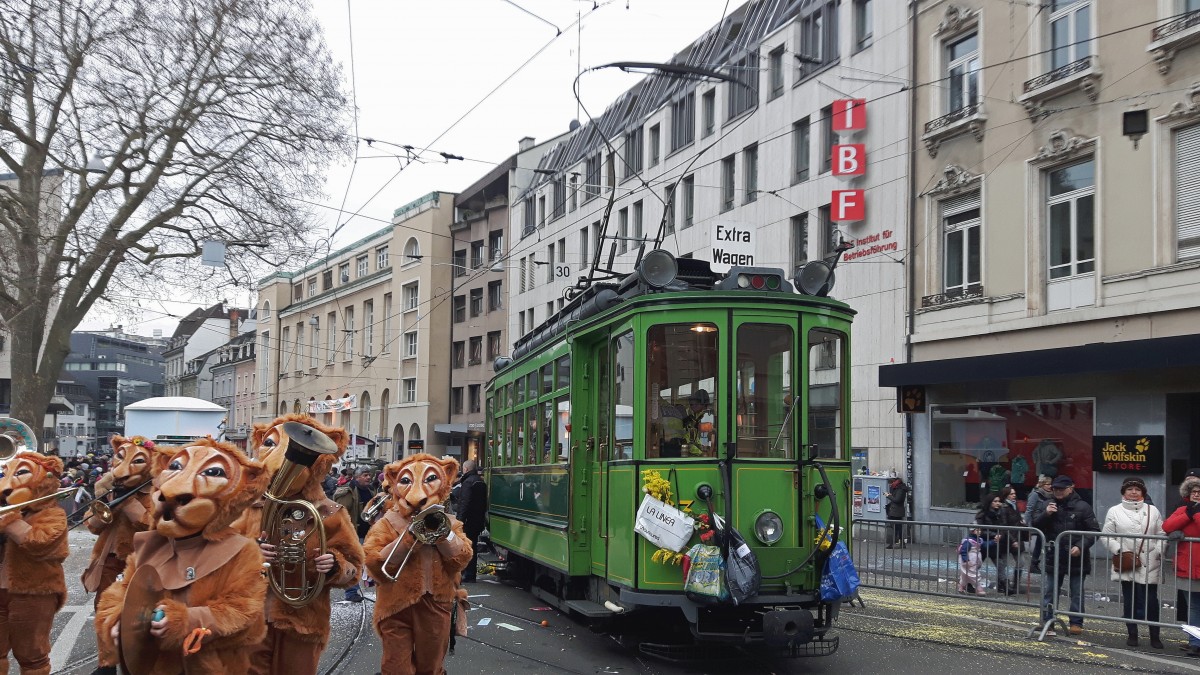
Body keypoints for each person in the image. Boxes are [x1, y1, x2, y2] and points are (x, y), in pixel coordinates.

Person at [363, 454, 473, 675]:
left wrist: (442, 535)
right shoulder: (388, 522)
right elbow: (374, 563)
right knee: (396, 668)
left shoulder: (450, 523)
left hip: (436, 604)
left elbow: (462, 559)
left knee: (430, 668)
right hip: (395, 605)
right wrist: (409, 538)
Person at [1102, 477, 1164, 649]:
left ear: (1143, 492)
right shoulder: (1114, 511)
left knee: (1152, 601)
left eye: (1137, 489)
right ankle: (1132, 634)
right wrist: (1119, 550)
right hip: (1127, 562)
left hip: (1149, 562)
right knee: (1129, 599)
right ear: (1124, 492)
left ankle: (1155, 635)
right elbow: (1107, 536)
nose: (1134, 492)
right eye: (1130, 489)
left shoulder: (1153, 510)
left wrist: (1159, 550)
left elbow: (1161, 533)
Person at [1035, 474, 1100, 636]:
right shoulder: (1047, 504)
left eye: (1061, 489)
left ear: (1071, 488)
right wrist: (1046, 514)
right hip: (1053, 555)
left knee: (1076, 591)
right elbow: (1035, 526)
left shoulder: (1083, 506)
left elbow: (1094, 531)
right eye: (1055, 489)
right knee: (1049, 590)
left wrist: (1080, 546)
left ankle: (1076, 622)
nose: (1057, 492)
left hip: (1076, 557)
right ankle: (1047, 621)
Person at [1164, 474, 1200, 656]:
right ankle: (1195, 642)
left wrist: (1197, 514)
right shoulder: (1183, 509)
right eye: (1194, 491)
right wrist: (1187, 514)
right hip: (1188, 565)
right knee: (1193, 606)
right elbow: (1167, 526)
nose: (1197, 494)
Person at [334, 469, 377, 603]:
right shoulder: (348, 491)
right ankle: (351, 592)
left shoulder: (371, 490)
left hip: (369, 532)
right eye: (365, 475)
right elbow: (341, 511)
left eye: (369, 474)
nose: (368, 477)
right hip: (354, 533)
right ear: (357, 477)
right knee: (354, 561)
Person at [976, 491, 1022, 594]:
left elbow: (1004, 528)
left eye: (998, 501)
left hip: (994, 545)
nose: (998, 503)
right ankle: (968, 584)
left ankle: (1006, 587)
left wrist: (1011, 540)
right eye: (995, 501)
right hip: (983, 544)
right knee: (976, 565)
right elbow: (981, 530)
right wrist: (994, 535)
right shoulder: (982, 514)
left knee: (1000, 566)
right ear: (990, 502)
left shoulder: (1000, 513)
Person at [456, 460, 488, 583]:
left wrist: (460, 520)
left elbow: (465, 503)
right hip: (477, 519)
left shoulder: (468, 482)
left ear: (466, 469)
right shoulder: (480, 481)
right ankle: (471, 573)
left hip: (468, 520)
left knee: (465, 547)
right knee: (472, 545)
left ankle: (466, 573)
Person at [658, 389, 711, 458]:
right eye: (704, 406)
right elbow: (687, 441)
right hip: (671, 448)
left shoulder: (694, 417)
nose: (704, 409)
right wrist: (700, 454)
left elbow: (693, 438)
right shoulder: (685, 415)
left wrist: (702, 448)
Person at [1025, 475, 1053, 574]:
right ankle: (1034, 563)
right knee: (1040, 542)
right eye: (1048, 484)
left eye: (1051, 484)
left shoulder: (1051, 494)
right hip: (1037, 521)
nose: (1050, 486)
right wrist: (1027, 527)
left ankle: (1036, 563)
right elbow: (1029, 510)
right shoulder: (1035, 494)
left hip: (1047, 521)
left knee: (1041, 543)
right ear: (1042, 484)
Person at [958, 527, 986, 596]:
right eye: (977, 530)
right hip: (969, 560)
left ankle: (961, 586)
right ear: (972, 531)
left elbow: (985, 545)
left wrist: (993, 542)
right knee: (973, 574)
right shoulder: (968, 541)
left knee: (965, 575)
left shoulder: (979, 540)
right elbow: (963, 551)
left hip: (974, 559)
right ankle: (978, 588)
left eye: (980, 530)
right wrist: (966, 560)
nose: (979, 531)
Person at [885, 475, 908, 549]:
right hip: (894, 511)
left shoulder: (900, 489)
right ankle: (897, 543)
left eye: (891, 483)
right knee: (896, 528)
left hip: (897, 512)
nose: (891, 485)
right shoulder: (897, 488)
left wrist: (888, 496)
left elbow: (897, 500)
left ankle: (897, 543)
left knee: (897, 528)